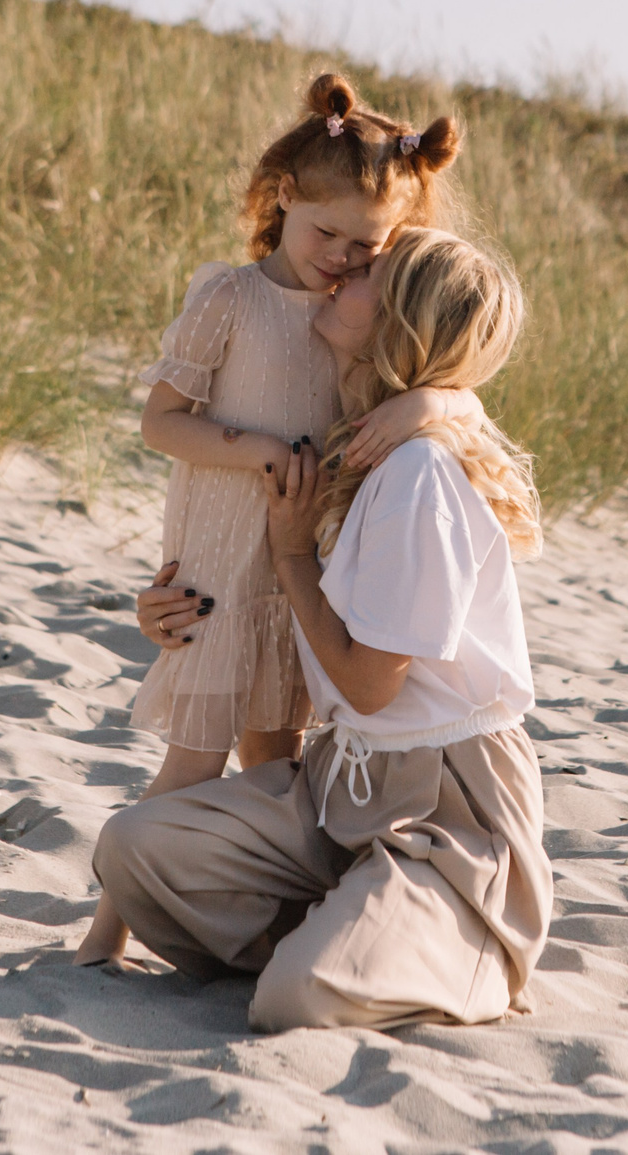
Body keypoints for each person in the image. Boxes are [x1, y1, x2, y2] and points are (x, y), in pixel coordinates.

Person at [94, 229, 551, 1030]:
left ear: (400, 323)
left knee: (295, 998)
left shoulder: (418, 475)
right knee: (134, 847)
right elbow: (250, 590)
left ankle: (471, 948)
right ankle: (347, 921)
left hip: (446, 814)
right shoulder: (363, 439)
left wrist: (294, 551)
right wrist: (166, 608)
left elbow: (372, 687)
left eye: (373, 269)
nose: (345, 265)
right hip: (338, 789)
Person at [76, 75, 482, 968]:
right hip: (223, 567)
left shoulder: (363, 320)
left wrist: (426, 409)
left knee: (273, 767)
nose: (337, 256)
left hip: (297, 583)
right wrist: (255, 447)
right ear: (283, 198)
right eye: (322, 231)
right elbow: (159, 419)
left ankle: (255, 926)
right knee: (194, 762)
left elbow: (459, 382)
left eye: (363, 244)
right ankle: (101, 939)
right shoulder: (231, 296)